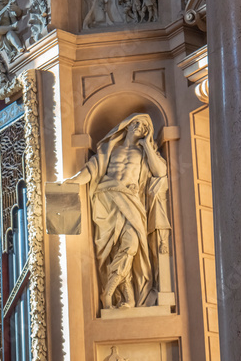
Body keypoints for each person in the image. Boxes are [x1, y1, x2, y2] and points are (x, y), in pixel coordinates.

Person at [62, 113, 169, 309]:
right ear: (126, 125)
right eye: (135, 122)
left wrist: (147, 146)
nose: (138, 127)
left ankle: (109, 293)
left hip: (130, 200)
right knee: (114, 250)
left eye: (144, 127)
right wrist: (74, 181)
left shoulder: (145, 153)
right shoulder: (111, 148)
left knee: (130, 245)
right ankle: (127, 298)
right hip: (106, 198)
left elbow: (160, 172)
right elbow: (93, 169)